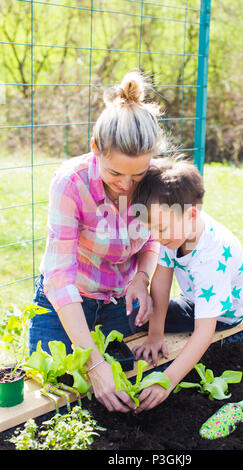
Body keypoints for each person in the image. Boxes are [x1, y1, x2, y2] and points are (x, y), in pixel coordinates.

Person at [29, 71, 168, 413]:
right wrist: (92, 363)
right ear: (95, 149)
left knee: (125, 377)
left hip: (119, 302)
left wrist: (140, 278)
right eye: (115, 173)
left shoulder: (156, 180)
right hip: (66, 304)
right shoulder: (70, 183)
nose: (126, 185)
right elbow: (59, 278)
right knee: (54, 388)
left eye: (137, 175)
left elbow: (154, 239)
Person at [131, 157, 243, 412]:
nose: (156, 237)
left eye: (161, 228)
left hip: (223, 314)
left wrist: (167, 381)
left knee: (136, 320)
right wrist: (154, 336)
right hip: (195, 301)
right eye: (152, 229)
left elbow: (203, 333)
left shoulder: (211, 256)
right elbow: (161, 285)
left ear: (192, 214)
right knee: (138, 316)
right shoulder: (173, 232)